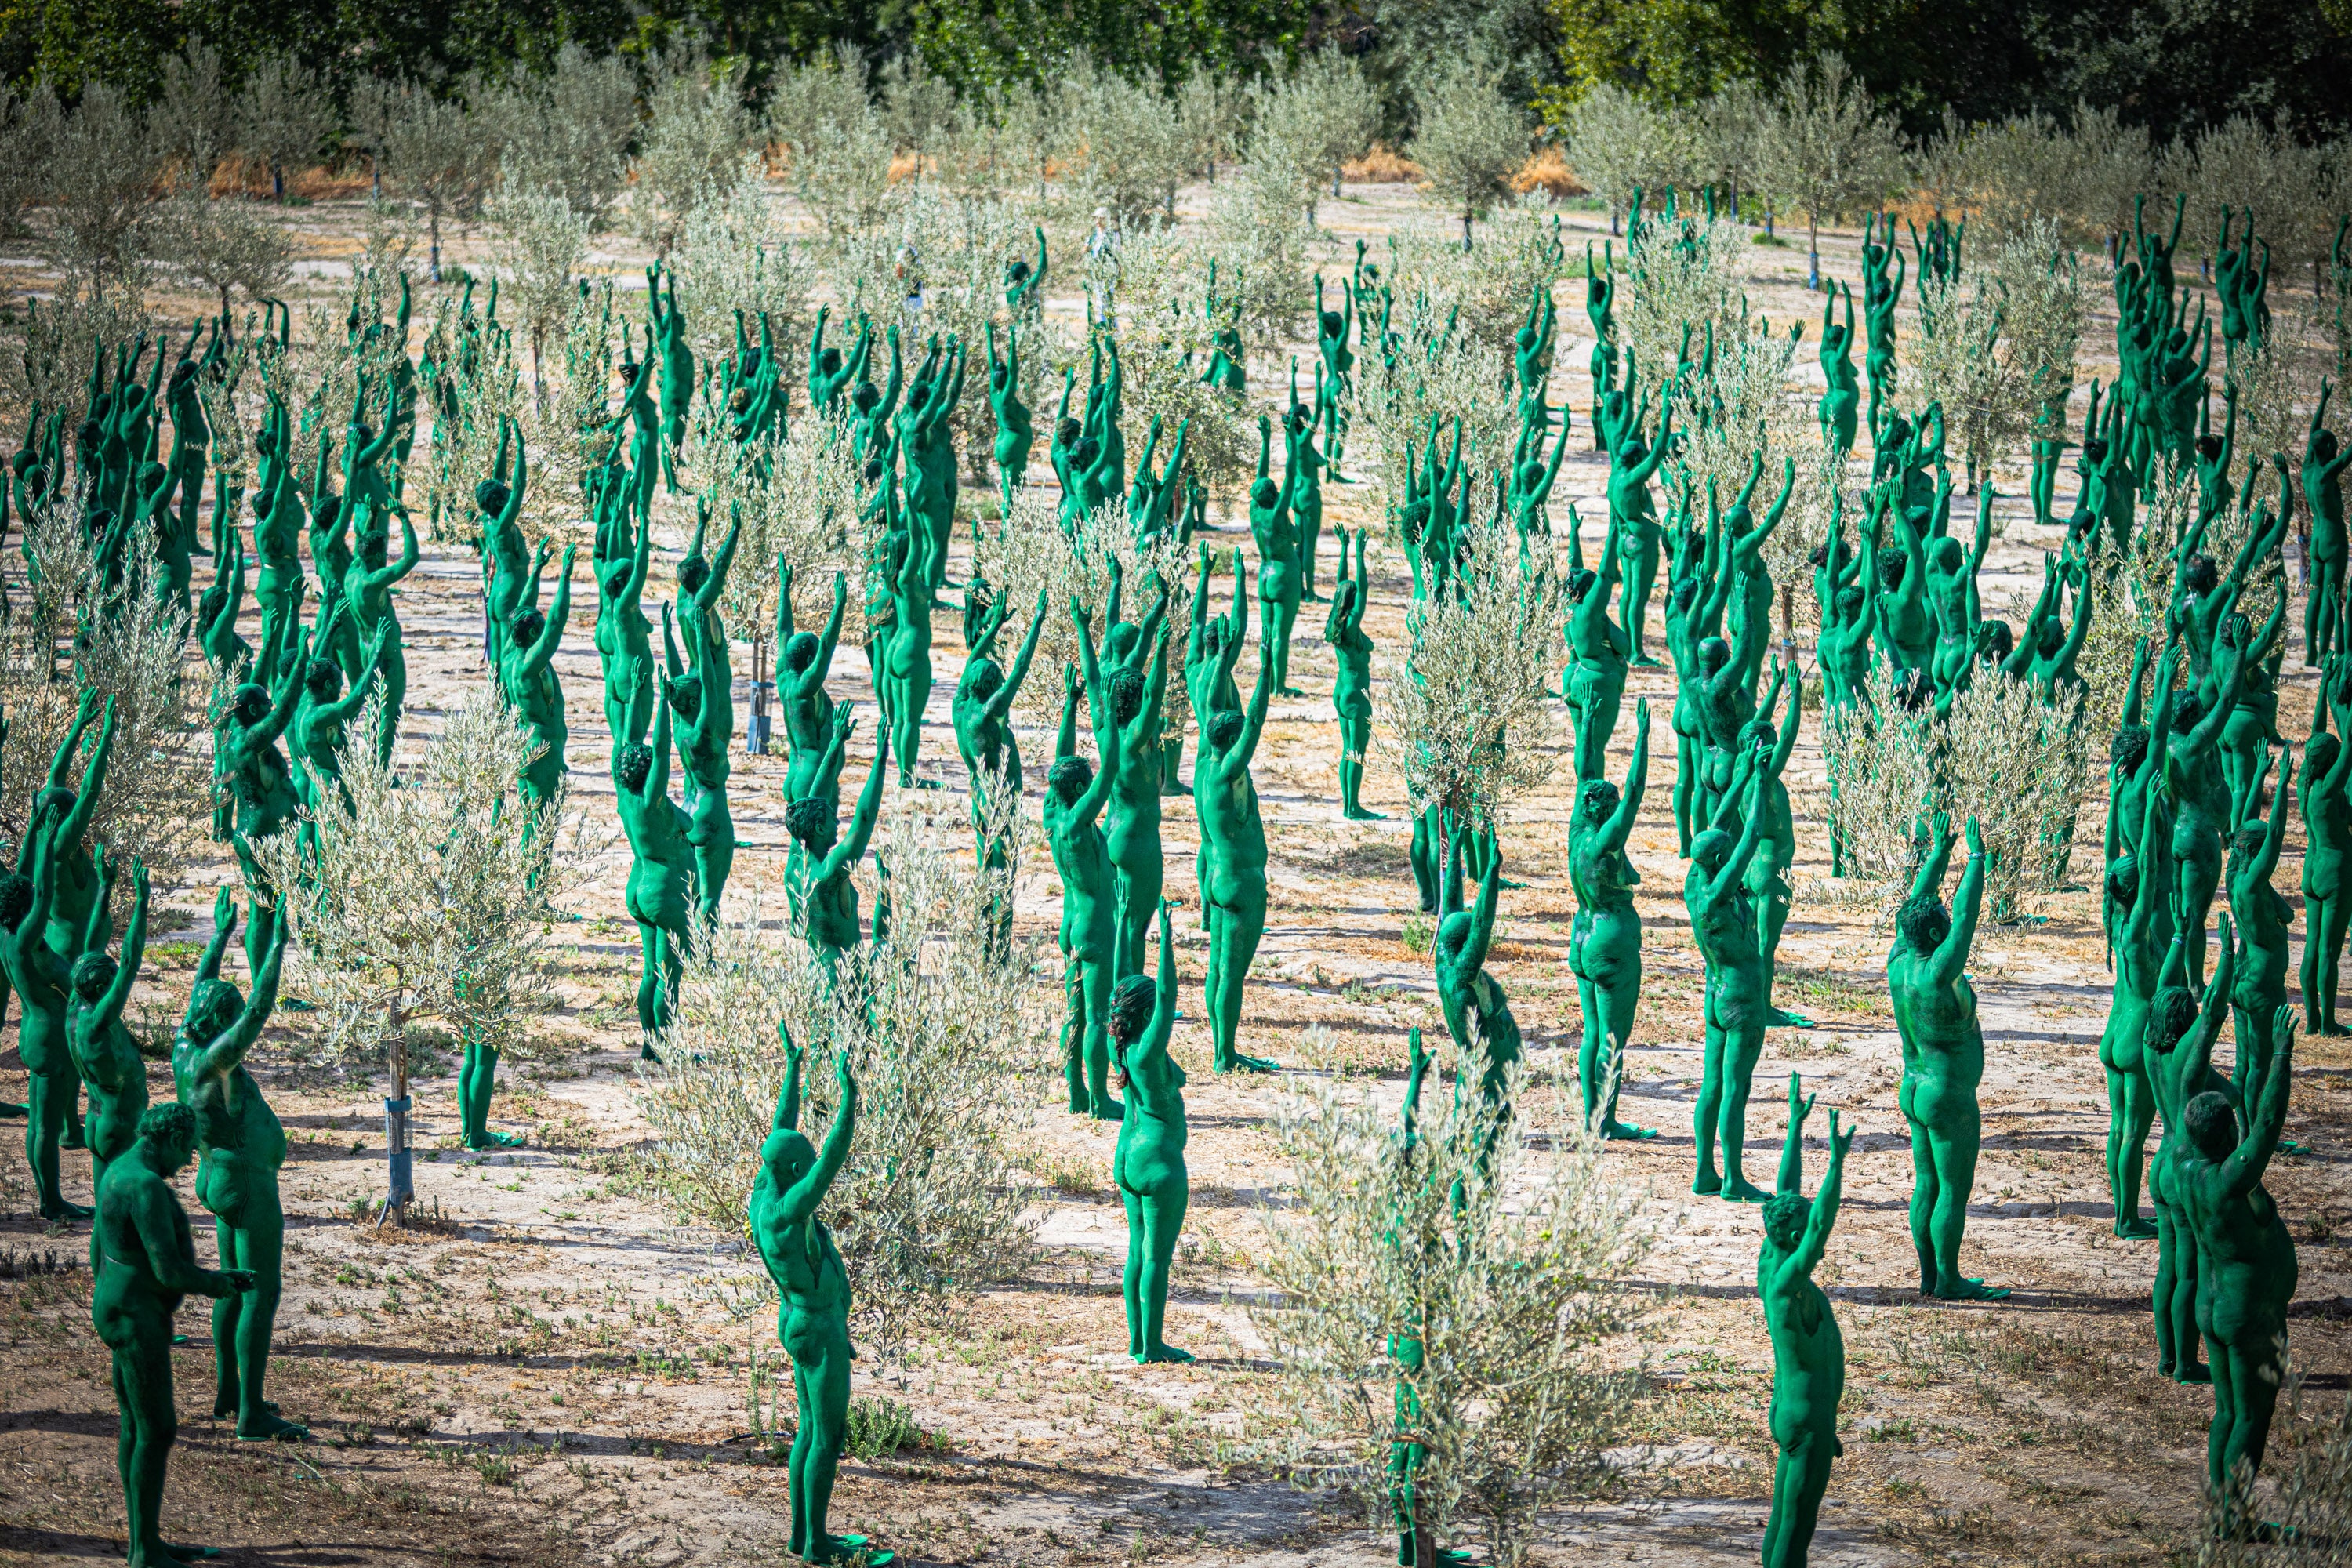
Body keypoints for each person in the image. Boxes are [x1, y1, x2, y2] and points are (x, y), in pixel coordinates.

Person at [93, 1102, 256, 1568]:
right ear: (167, 1140)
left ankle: (144, 1541)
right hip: (134, 1318)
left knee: (134, 1426)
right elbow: (167, 1271)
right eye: (187, 1149)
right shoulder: (144, 1187)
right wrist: (217, 1284)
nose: (188, 1161)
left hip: (118, 1306)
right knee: (157, 1429)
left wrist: (211, 1274)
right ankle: (145, 1551)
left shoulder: (119, 1169)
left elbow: (117, 1252)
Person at [751, 1036, 892, 1567]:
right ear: (792, 1174)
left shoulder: (764, 1192)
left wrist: (793, 1066)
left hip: (800, 1321)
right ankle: (817, 1546)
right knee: (826, 1437)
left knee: (809, 1430)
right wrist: (849, 1101)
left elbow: (779, 1132)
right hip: (818, 1329)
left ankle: (802, 1536)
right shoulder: (788, 1212)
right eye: (801, 1165)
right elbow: (828, 1160)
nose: (808, 1167)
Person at [171, 887, 304, 1440]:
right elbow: (258, 1008)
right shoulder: (217, 1061)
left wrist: (222, 934)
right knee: (261, 1292)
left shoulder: (185, 1044)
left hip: (218, 1176)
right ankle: (251, 1412)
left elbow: (201, 992)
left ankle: (229, 1390)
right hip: (246, 1184)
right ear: (221, 1025)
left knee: (232, 1283)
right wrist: (277, 941)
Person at [2171, 1003, 2299, 1504]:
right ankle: (2235, 1515)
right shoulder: (2229, 1179)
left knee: (2227, 1411)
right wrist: (2282, 1054)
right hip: (2247, 1313)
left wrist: (2209, 1028)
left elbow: (2186, 1086)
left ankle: (2223, 1508)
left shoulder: (2184, 1163)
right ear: (2226, 1135)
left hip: (2214, 1304)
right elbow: (2267, 1127)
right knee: (2251, 1416)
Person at [1889, 815, 2005, 1300]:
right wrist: (1976, 859)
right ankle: (1950, 1278)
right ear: (1935, 937)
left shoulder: (1900, 957)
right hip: (1947, 1093)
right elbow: (1965, 918)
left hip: (1913, 1087)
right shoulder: (1938, 972)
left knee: (1926, 1186)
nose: (1939, 909)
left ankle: (1928, 1276)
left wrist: (1938, 855)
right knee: (1952, 1191)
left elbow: (1916, 905)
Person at [1760, 1074, 1854, 1568]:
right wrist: (1837, 1163)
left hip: (1797, 1411)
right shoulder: (1787, 1282)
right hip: (1805, 1417)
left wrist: (1795, 1129)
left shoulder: (1772, 1253)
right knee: (1797, 1526)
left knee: (1783, 1514)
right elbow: (1818, 1226)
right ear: (1794, 1234)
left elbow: (1787, 1192)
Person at [1193, 630, 1281, 1075]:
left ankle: (1221, 1048)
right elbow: (1256, 723)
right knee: (1232, 974)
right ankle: (1225, 1054)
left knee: (1217, 969)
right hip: (1242, 883)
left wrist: (1225, 661)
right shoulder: (1229, 769)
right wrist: (1265, 670)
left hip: (1218, 880)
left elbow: (1212, 705)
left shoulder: (1207, 764)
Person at [1686, 771, 1772, 1201]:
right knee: (1736, 1090)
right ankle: (1734, 1180)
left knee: (1712, 1085)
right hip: (1741, 998)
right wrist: (1760, 782)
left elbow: (1719, 826)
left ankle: (1705, 1172)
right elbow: (1751, 832)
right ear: (1719, 861)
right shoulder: (1720, 892)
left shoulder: (1694, 884)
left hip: (1715, 994)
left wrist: (1742, 774)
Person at [1111, 899, 1190, 1363]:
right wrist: (1165, 936)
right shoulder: (1147, 1051)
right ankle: (1153, 1344)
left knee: (1136, 1251)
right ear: (1145, 1017)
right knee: (1156, 1257)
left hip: (1127, 1156)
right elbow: (1167, 997)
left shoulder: (1117, 1043)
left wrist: (1127, 924)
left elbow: (1126, 990)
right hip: (1158, 1161)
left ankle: (1136, 1342)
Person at [1568, 702, 1653, 1138]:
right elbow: (1635, 791)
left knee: (1592, 1033)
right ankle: (1606, 1120)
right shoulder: (1604, 841)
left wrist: (1587, 726)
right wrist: (1642, 736)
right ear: (1606, 812)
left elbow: (1585, 771)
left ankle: (1590, 1117)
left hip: (1580, 937)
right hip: (1610, 943)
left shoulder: (1577, 827)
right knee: (1612, 1039)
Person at [1048, 639, 1124, 1120]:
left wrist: (1071, 705)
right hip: (1095, 928)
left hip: (1070, 923)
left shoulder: (1053, 814)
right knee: (1095, 1016)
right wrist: (1111, 717)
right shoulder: (1077, 823)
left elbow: (1062, 762)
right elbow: (1109, 770)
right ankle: (1098, 1098)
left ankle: (1075, 1091)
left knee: (1075, 1013)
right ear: (1079, 790)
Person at [1323, 528, 1382, 821]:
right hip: (1356, 697)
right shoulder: (1350, 627)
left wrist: (1344, 548)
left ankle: (1349, 806)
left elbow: (1341, 585)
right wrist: (1360, 554)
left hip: (1341, 693)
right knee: (1356, 752)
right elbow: (1362, 589)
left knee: (1348, 749)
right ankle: (1354, 806)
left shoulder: (1337, 620)